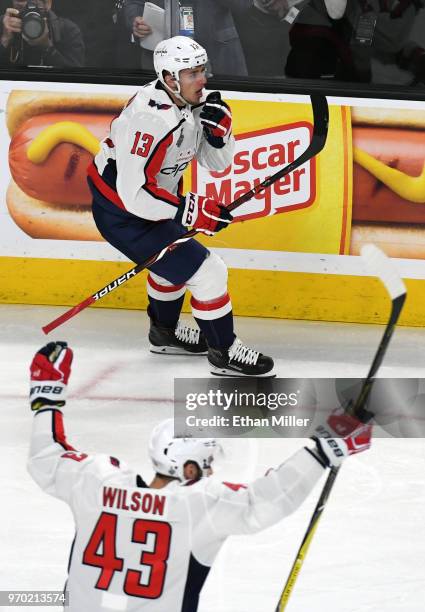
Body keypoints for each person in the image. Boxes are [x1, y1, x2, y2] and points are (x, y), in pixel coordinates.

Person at [28, 341, 372, 612]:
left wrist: (46, 399)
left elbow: (47, 458)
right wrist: (324, 449)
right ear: (189, 468)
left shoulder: (97, 483)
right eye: (206, 465)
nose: (210, 471)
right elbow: (266, 499)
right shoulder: (198, 505)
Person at [87, 35, 273, 377]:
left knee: (169, 266)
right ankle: (224, 352)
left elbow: (216, 163)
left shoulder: (192, 102)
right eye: (192, 73)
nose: (202, 80)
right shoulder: (148, 119)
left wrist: (221, 136)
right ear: (170, 78)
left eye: (202, 70)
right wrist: (190, 210)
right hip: (123, 214)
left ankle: (164, 334)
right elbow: (134, 194)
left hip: (153, 203)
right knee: (208, 272)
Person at [122, 0, 249, 75]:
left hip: (217, 55)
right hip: (162, 58)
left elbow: (244, 4)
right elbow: (132, 3)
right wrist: (135, 19)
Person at [0, 0, 84, 67]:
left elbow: (76, 78)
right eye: (21, 0)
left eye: (36, 1)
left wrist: (47, 47)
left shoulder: (67, 30)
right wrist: (5, 40)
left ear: (48, 4)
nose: (29, 5)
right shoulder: (3, 25)